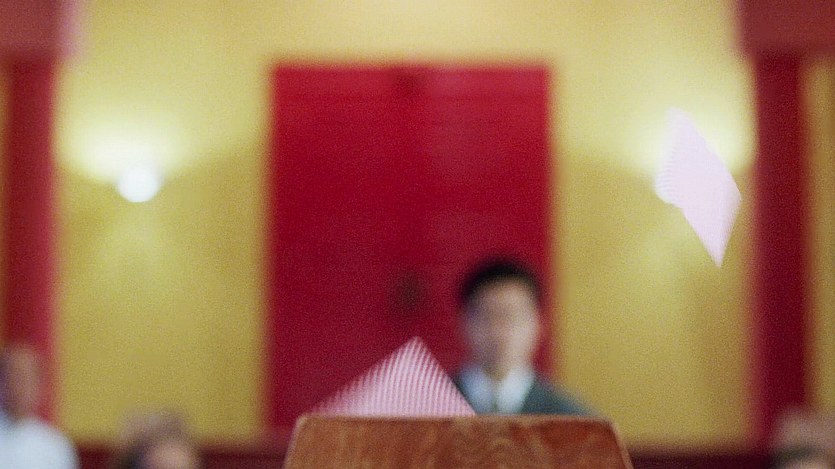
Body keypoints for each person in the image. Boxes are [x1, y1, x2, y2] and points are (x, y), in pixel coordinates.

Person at [453, 258, 590, 415]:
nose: (499, 332)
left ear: (538, 324)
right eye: (487, 316)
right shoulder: (433, 406)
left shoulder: (571, 417)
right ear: (465, 322)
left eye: (512, 316)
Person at [0, 343, 79, 469]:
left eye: (24, 378)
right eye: (10, 376)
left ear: (38, 385)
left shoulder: (55, 445)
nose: (17, 387)